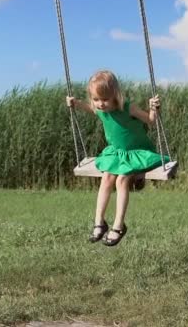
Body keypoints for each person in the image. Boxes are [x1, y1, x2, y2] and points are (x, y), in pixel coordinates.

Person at [65, 70, 169, 246]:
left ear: (115, 95)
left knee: (121, 180)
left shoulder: (128, 108)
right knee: (106, 178)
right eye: (96, 99)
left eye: (105, 99)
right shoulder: (99, 109)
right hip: (116, 153)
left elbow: (150, 121)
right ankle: (99, 222)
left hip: (137, 152)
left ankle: (119, 225)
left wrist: (153, 108)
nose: (101, 104)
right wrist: (76, 103)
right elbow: (90, 109)